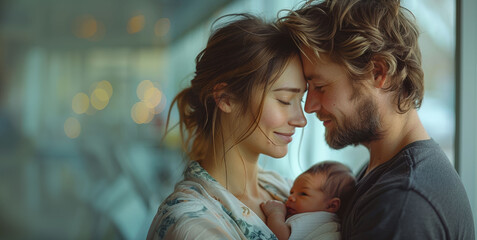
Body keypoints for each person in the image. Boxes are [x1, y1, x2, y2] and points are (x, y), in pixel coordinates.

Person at [278, 0, 475, 239]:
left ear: (378, 72)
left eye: (320, 86)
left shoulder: (403, 206)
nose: (309, 107)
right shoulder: (379, 170)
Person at [147, 14, 307, 239]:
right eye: (283, 100)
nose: (301, 120)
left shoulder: (286, 188)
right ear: (226, 98)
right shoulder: (191, 226)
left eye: (299, 101)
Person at [261, 161, 356, 240]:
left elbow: (281, 237)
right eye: (291, 192)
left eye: (303, 194)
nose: (291, 197)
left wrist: (276, 213)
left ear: (331, 206)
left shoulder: (315, 220)